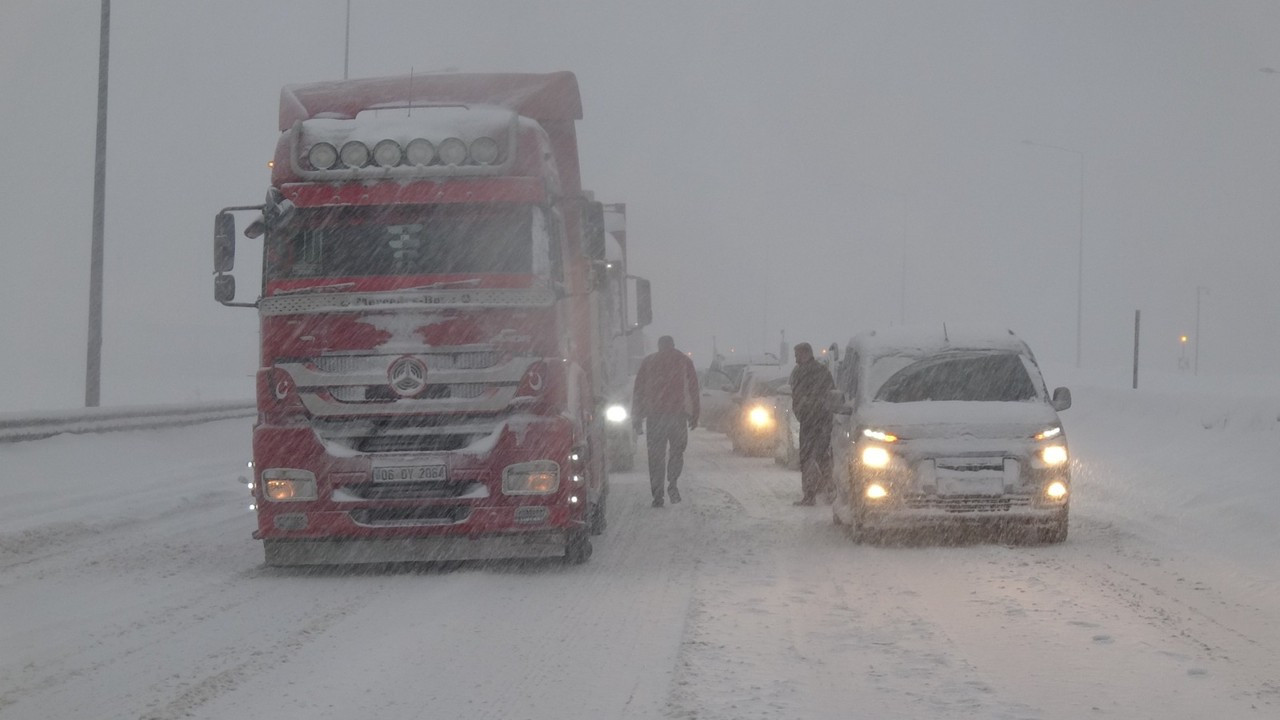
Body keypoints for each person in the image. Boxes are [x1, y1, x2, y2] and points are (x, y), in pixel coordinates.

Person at [631, 335, 700, 507]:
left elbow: (638, 392)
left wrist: (637, 417)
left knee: (655, 457)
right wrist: (695, 415)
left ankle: (657, 495)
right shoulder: (684, 361)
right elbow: (693, 390)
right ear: (673, 345)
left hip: (655, 417)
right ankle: (673, 483)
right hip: (678, 417)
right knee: (677, 452)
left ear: (659, 346)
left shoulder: (649, 362)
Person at [789, 342, 835, 506]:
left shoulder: (815, 373)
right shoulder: (812, 372)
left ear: (806, 353)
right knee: (816, 457)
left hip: (816, 421)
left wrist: (809, 410)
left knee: (814, 456)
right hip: (814, 421)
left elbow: (829, 396)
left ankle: (818, 493)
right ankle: (823, 492)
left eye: (797, 355)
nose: (796, 359)